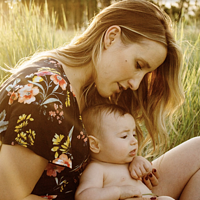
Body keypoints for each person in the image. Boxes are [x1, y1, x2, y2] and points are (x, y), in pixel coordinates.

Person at [0, 0, 200, 199]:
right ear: (111, 37)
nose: (136, 84)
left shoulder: (90, 88)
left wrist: (133, 164)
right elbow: (8, 197)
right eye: (138, 65)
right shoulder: (46, 95)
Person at [75, 104, 175, 200]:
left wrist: (141, 164)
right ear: (95, 145)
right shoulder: (97, 169)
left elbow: (148, 174)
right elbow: (83, 197)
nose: (134, 141)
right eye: (124, 136)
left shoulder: (130, 162)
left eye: (134, 135)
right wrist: (118, 192)